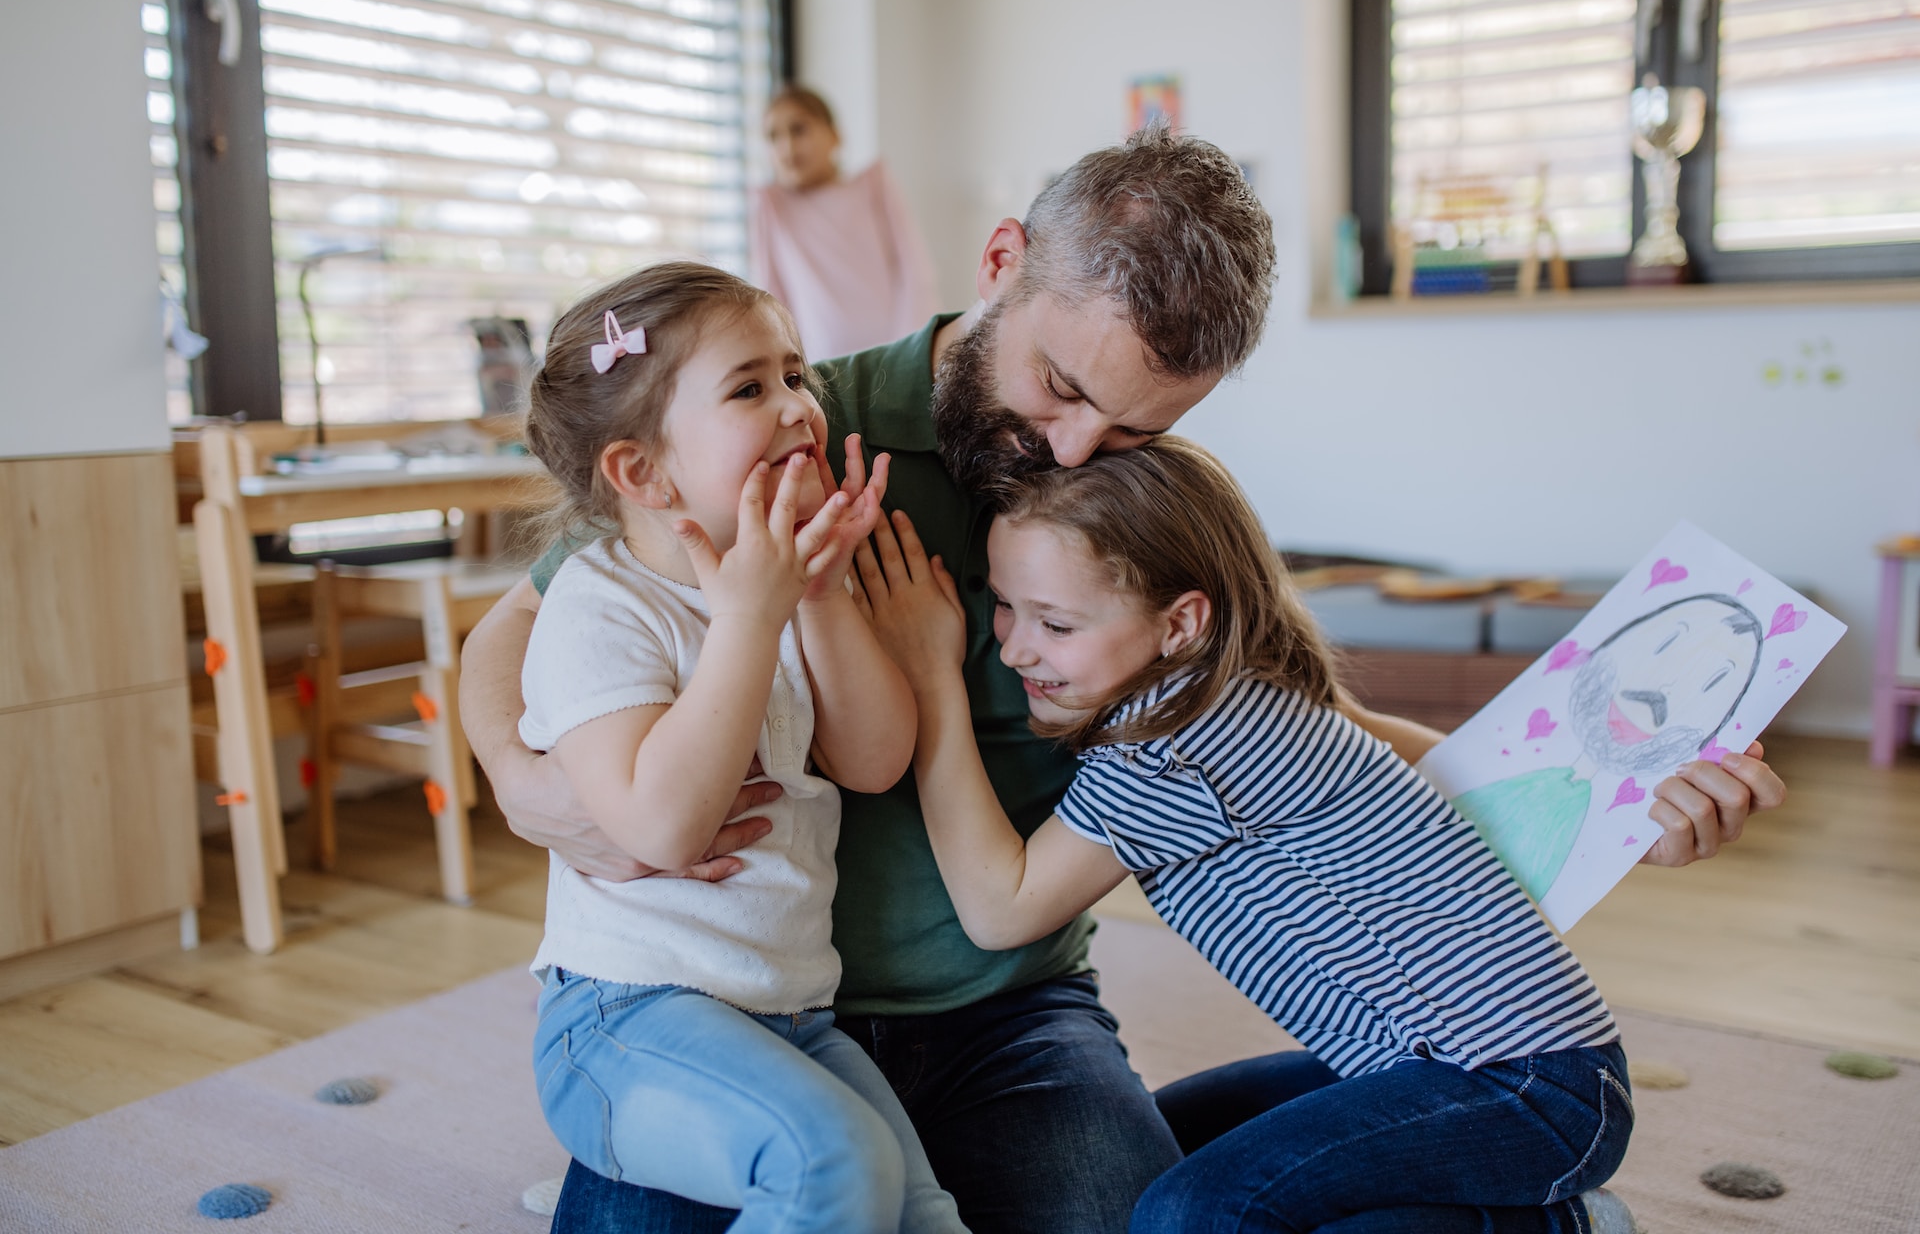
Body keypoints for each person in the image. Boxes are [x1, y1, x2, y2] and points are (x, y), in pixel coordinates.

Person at [460, 127, 1786, 1234]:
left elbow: (1302, 727)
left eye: (1139, 424)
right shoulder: (791, 436)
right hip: (736, 1008)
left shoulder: (1125, 509)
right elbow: (515, 633)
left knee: (1160, 1218)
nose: (1074, 447)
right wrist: (526, 784)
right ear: (1001, 265)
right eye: (1058, 385)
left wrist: (1615, 792)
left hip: (1009, 1017)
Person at [852, 436, 1643, 1233]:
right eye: (1005, 606)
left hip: (1525, 1086)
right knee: (1161, 1158)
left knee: (1190, 1211)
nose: (1015, 647)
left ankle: (1561, 1227)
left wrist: (931, 676)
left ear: (1180, 624)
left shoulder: (1178, 740)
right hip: (1445, 1067)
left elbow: (1001, 910)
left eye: (1055, 624)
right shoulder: (1223, 693)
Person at [516, 261, 966, 1233]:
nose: (799, 406)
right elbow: (665, 825)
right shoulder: (601, 606)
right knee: (833, 1165)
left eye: (797, 373)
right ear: (642, 470)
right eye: (750, 388)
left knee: (924, 1213)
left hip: (792, 1014)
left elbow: (876, 757)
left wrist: (823, 594)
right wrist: (751, 620)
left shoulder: (786, 582)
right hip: (624, 1020)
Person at [751, 85, 939, 359]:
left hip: (897, 352)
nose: (786, 147)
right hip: (823, 368)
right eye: (773, 137)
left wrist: (913, 349)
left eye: (798, 129)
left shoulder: (874, 187)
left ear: (835, 136)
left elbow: (914, 270)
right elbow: (772, 294)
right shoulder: (773, 208)